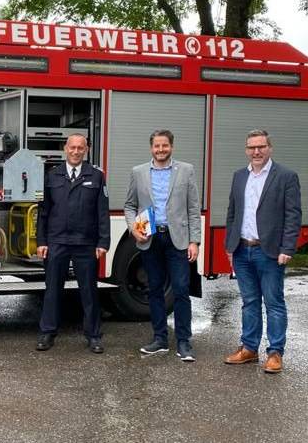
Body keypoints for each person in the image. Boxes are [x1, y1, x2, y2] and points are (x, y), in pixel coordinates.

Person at [223, 129, 302, 374]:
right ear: (246, 150)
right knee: (249, 302)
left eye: (261, 147)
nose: (256, 151)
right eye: (251, 147)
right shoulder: (239, 176)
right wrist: (229, 245)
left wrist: (287, 247)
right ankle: (249, 348)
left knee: (274, 303)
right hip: (242, 250)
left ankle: (275, 352)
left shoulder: (286, 176)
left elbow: (293, 215)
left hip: (269, 252)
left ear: (269, 148)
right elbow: (232, 213)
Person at [123, 129, 201, 362]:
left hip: (177, 239)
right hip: (151, 240)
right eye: (156, 146)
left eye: (164, 146)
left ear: (171, 147)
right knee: (155, 290)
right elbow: (129, 205)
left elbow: (193, 209)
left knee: (180, 290)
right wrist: (133, 229)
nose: (160, 150)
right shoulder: (138, 172)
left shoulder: (186, 170)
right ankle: (160, 339)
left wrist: (194, 241)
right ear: (151, 148)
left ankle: (184, 342)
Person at [35, 134, 110, 353]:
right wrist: (41, 241)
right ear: (65, 149)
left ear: (86, 150)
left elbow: (102, 212)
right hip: (56, 241)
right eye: (72, 148)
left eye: (80, 148)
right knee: (52, 290)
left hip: (85, 243)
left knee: (89, 291)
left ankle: (94, 336)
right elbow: (44, 212)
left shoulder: (96, 176)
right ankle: (47, 333)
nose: (76, 152)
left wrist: (103, 242)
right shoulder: (52, 175)